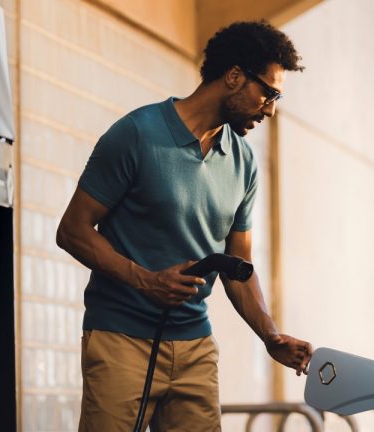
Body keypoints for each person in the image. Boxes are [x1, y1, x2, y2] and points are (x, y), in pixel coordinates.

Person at [56, 20, 312, 432]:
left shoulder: (243, 162)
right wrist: (144, 280)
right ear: (234, 77)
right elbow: (72, 230)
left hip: (195, 347)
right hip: (120, 340)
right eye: (269, 92)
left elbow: (238, 264)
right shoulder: (137, 134)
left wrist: (270, 334)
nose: (271, 109)